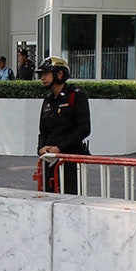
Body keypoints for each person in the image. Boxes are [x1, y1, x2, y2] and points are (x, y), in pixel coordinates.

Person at [37, 56, 91, 194]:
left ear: (59, 74)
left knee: (70, 199)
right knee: (49, 197)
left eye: (46, 73)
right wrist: (41, 148)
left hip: (70, 159)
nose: (42, 77)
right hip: (50, 160)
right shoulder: (48, 100)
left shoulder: (76, 96)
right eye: (41, 74)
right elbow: (43, 131)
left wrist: (60, 147)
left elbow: (84, 129)